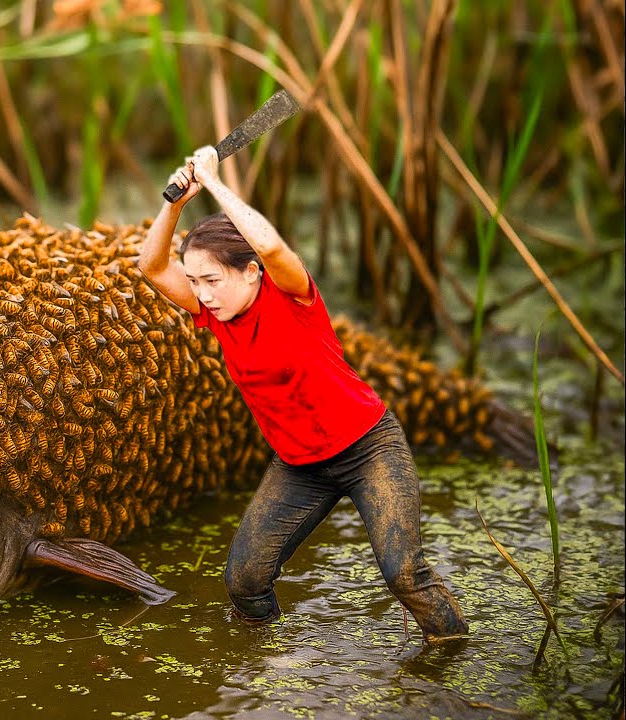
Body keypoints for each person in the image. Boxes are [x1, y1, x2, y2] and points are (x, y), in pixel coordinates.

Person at [135, 146, 469, 644]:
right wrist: (178, 201)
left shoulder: (290, 294)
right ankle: (276, 665)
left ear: (249, 272)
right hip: (300, 465)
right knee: (244, 581)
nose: (202, 294)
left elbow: (270, 248)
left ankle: (453, 651)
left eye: (213, 280)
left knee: (403, 572)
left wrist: (215, 180)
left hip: (368, 447)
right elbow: (151, 265)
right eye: (196, 282)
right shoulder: (214, 315)